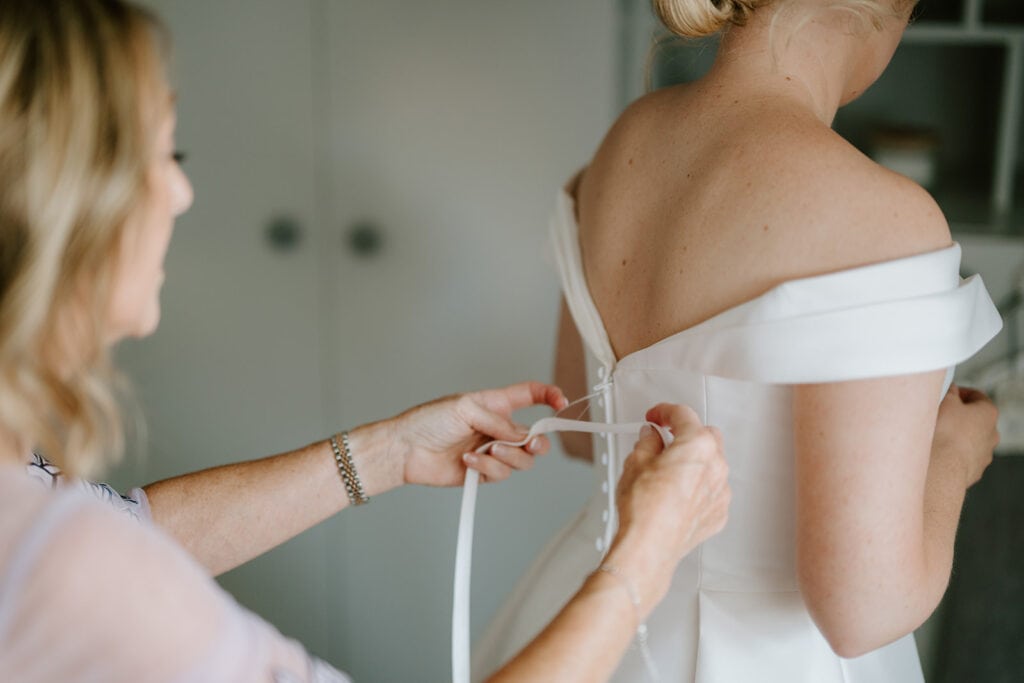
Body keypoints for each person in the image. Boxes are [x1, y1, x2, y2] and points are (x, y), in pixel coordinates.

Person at [0, 1, 731, 681]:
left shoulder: (37, 517)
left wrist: (389, 452)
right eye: (164, 157)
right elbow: (91, 564)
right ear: (63, 198)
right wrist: (644, 560)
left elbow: (120, 534)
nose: (182, 193)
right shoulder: (54, 563)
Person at [473, 1, 1003, 681]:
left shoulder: (625, 140)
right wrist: (955, 454)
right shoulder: (886, 221)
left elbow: (580, 428)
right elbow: (863, 609)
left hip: (597, 620)